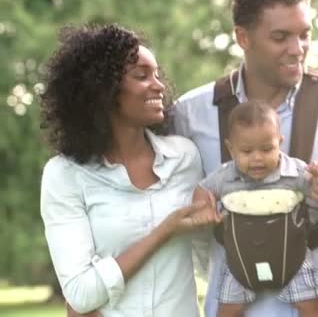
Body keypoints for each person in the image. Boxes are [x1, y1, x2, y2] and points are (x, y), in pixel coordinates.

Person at [172, 0, 318, 315]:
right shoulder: (190, 114)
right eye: (280, 37)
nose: (297, 48)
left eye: (305, 34)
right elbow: (175, 221)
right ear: (243, 37)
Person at [39, 24, 220, 316]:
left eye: (157, 74)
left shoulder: (185, 158)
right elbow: (81, 294)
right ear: (103, 89)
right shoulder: (65, 175)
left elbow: (208, 261)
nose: (159, 85)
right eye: (141, 75)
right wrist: (164, 231)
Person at [197, 100, 318, 317]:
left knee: (311, 305)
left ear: (280, 142)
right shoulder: (225, 176)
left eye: (267, 149)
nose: (257, 158)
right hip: (239, 261)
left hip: (294, 256)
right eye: (247, 151)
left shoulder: (295, 172)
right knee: (227, 309)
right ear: (231, 149)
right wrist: (204, 208)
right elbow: (203, 190)